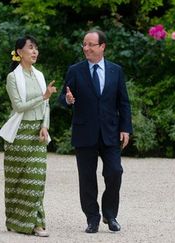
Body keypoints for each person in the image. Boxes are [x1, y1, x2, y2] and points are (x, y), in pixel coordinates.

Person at [58, 29, 133, 233]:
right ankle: (92, 218)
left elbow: (123, 102)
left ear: (102, 47)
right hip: (84, 133)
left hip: (110, 132)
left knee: (115, 172)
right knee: (87, 178)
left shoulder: (116, 70)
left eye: (91, 44)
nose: (86, 48)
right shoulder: (75, 70)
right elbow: (62, 97)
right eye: (84, 44)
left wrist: (126, 127)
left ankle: (110, 215)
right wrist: (67, 100)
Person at [0, 35, 57, 237]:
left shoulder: (39, 75)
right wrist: (43, 97)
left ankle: (38, 223)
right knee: (18, 180)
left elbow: (46, 104)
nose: (35, 52)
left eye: (36, 48)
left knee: (37, 178)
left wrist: (45, 125)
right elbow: (19, 107)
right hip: (19, 134)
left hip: (37, 132)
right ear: (19, 52)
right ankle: (17, 223)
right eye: (30, 48)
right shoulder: (12, 77)